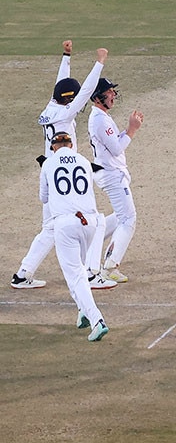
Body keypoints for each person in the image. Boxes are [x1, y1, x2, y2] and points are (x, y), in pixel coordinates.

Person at [12, 40, 109, 291]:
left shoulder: (52, 106)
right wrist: (99, 63)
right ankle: (89, 273)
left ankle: (23, 274)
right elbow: (86, 91)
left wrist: (66, 56)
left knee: (50, 228)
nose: (79, 102)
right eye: (74, 100)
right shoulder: (65, 113)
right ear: (69, 101)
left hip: (51, 172)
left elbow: (62, 86)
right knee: (90, 220)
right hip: (63, 172)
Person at [38, 132, 110, 341]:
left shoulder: (48, 164)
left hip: (66, 224)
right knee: (77, 269)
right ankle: (82, 311)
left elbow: (43, 198)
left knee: (75, 274)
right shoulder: (84, 162)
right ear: (71, 144)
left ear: (53, 147)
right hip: (90, 222)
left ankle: (97, 320)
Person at [87, 77, 144, 283]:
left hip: (111, 172)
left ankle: (90, 240)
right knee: (129, 218)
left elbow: (114, 144)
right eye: (109, 91)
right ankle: (110, 266)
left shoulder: (101, 117)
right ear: (97, 96)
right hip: (112, 175)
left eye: (112, 91)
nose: (113, 95)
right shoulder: (100, 119)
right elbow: (117, 148)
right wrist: (132, 129)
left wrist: (128, 130)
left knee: (122, 216)